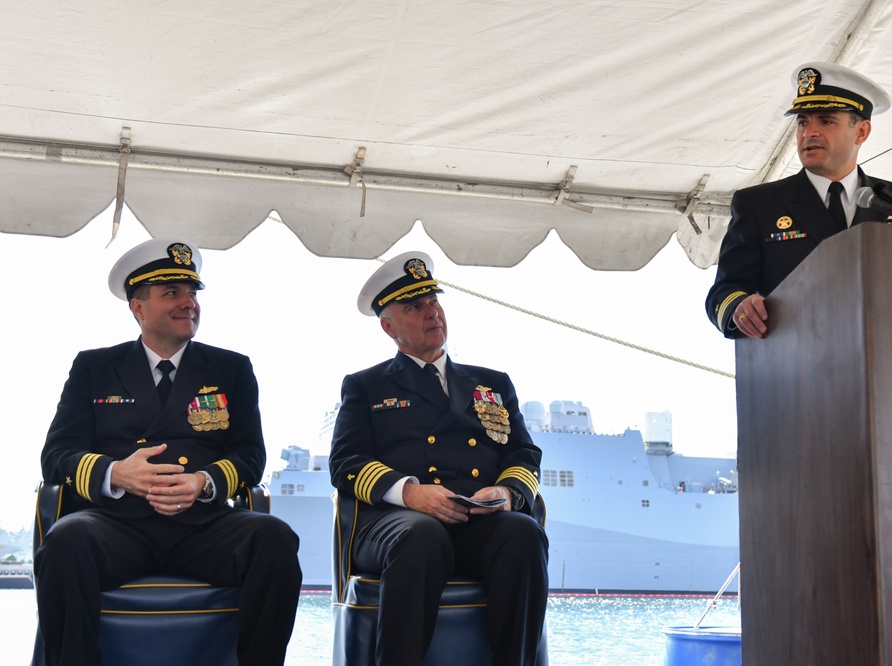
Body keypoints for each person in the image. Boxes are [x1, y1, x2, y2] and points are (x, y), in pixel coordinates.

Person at [34, 238, 301, 666]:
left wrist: (202, 481)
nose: (188, 304)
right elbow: (58, 454)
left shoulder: (231, 368)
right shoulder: (95, 367)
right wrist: (115, 473)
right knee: (66, 541)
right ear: (138, 307)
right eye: (171, 294)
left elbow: (250, 455)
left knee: (275, 539)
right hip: (115, 525)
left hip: (203, 526)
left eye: (192, 294)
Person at [329, 251, 548, 666]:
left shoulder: (492, 383)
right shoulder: (366, 386)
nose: (432, 313)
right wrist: (410, 493)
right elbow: (345, 463)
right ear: (389, 327)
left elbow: (524, 453)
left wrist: (506, 491)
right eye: (415, 306)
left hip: (476, 521)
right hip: (397, 527)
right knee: (421, 536)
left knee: (522, 533)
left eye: (434, 301)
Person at [706, 61, 892, 339]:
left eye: (826, 120)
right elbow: (723, 291)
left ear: (861, 132)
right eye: (802, 122)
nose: (809, 132)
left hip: (887, 360)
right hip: (795, 362)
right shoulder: (759, 204)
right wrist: (739, 306)